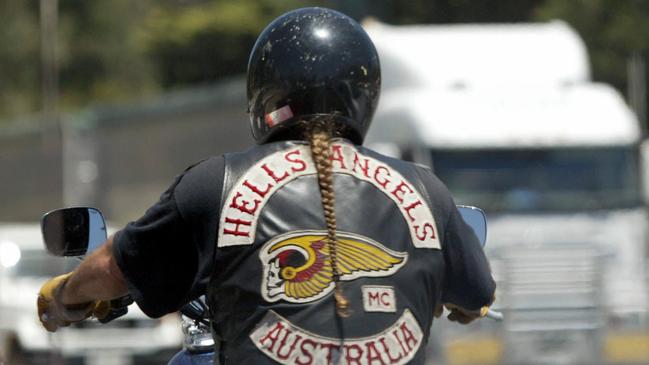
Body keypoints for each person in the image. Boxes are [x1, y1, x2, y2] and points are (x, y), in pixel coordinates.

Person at [37, 7, 495, 364]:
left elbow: (116, 268)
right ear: (365, 96)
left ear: (265, 94)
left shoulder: (215, 184)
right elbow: (477, 293)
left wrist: (63, 295)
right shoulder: (425, 191)